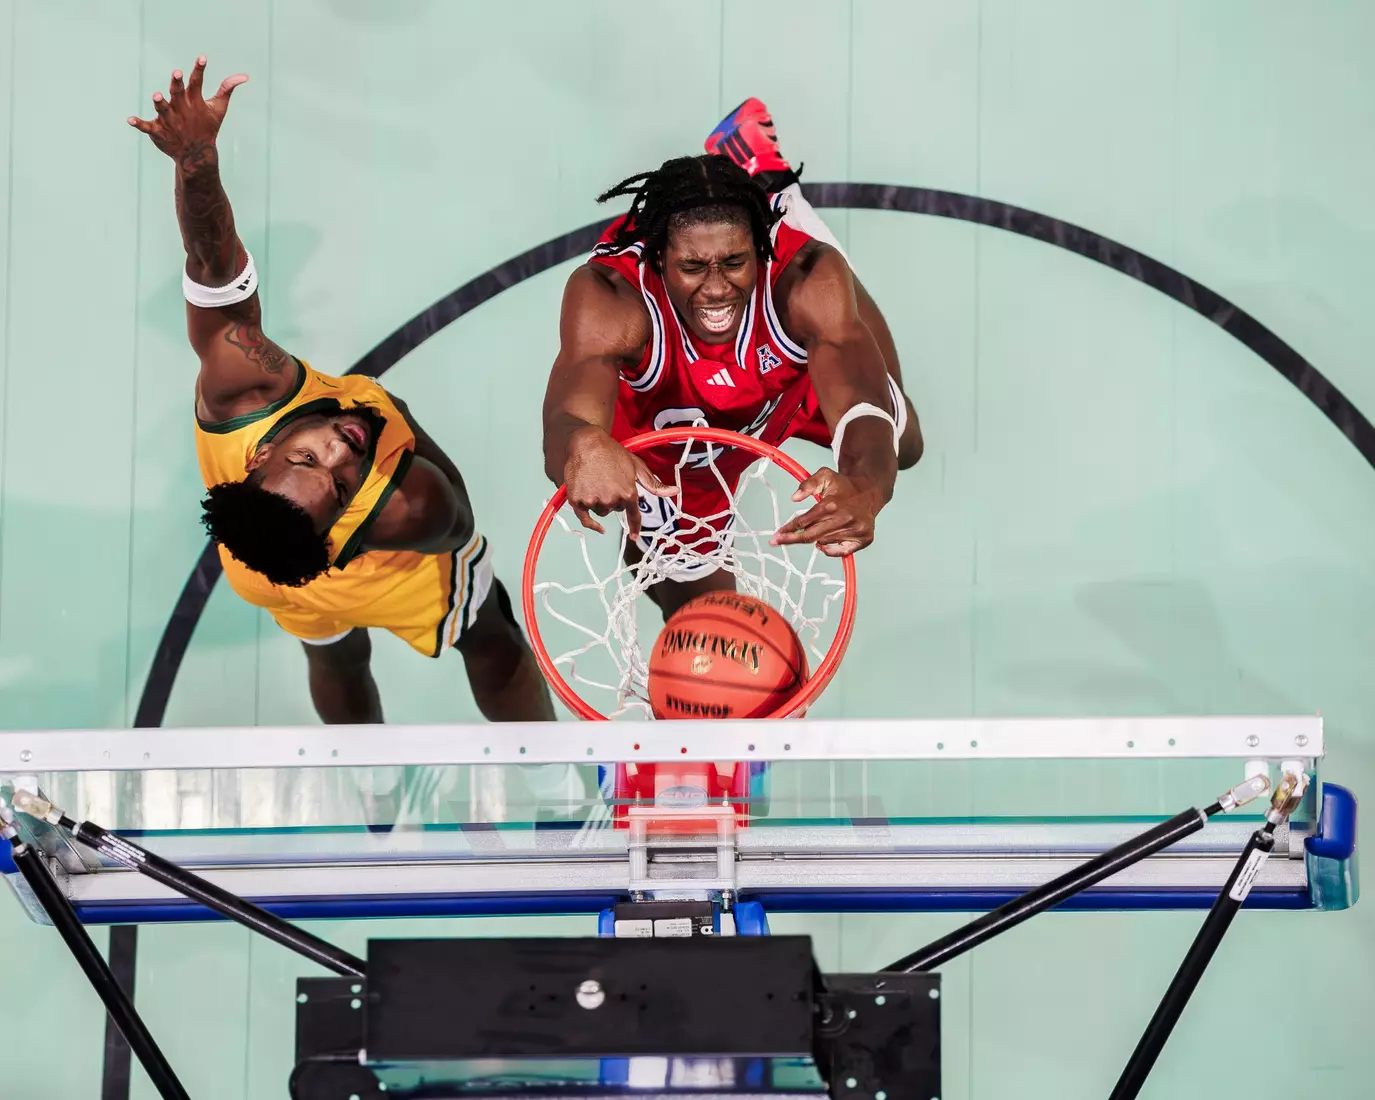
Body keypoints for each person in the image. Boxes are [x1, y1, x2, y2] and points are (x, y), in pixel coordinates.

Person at [130, 57, 554, 725]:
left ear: (257, 459)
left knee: (334, 656)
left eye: (306, 458)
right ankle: (547, 779)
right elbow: (460, 524)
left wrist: (195, 160)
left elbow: (212, 267)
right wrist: (397, 418)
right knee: (488, 633)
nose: (340, 450)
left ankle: (365, 776)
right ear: (339, 526)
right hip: (372, 567)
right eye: (341, 484)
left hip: (259, 573)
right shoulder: (410, 508)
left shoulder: (242, 388)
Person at [542, 98, 923, 620]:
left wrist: (866, 487)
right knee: (700, 613)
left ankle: (779, 194)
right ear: (659, 257)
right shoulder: (612, 297)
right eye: (693, 267)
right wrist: (581, 443)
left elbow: (861, 405)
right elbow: (566, 416)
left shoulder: (802, 280)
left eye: (735, 262)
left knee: (904, 444)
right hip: (672, 437)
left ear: (760, 249)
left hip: (778, 383)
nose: (717, 287)